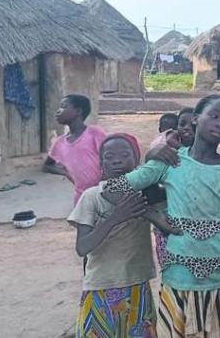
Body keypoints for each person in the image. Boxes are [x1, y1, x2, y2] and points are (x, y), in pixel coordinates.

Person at [105, 95, 220, 337]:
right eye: (215, 116)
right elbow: (112, 189)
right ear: (196, 118)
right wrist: (152, 215)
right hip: (178, 279)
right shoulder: (172, 160)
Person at [68, 133, 176, 338]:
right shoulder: (91, 197)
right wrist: (116, 217)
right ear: (101, 164)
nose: (116, 161)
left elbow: (167, 229)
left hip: (137, 285)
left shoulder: (147, 195)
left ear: (137, 161)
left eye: (124, 155)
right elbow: (82, 247)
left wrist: (147, 211)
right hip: (100, 288)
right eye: (109, 157)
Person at [44, 94, 107, 204]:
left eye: (64, 106)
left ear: (78, 111)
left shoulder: (94, 133)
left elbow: (109, 156)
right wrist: (67, 173)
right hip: (81, 196)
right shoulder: (59, 143)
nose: (58, 111)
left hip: (103, 192)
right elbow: (47, 165)